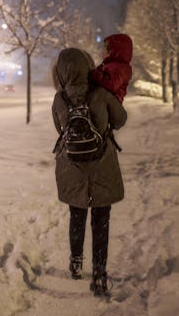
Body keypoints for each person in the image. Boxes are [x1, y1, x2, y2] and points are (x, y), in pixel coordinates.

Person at [52, 47, 127, 297]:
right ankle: (99, 274)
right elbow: (120, 119)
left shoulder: (60, 99)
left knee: (77, 215)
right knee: (101, 221)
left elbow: (58, 127)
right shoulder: (101, 94)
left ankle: (75, 261)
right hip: (102, 165)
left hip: (72, 168)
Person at [90, 33, 133, 103]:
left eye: (104, 48)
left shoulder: (122, 68)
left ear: (112, 51)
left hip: (112, 102)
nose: (102, 51)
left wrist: (96, 75)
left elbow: (112, 85)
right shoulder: (106, 65)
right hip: (103, 99)